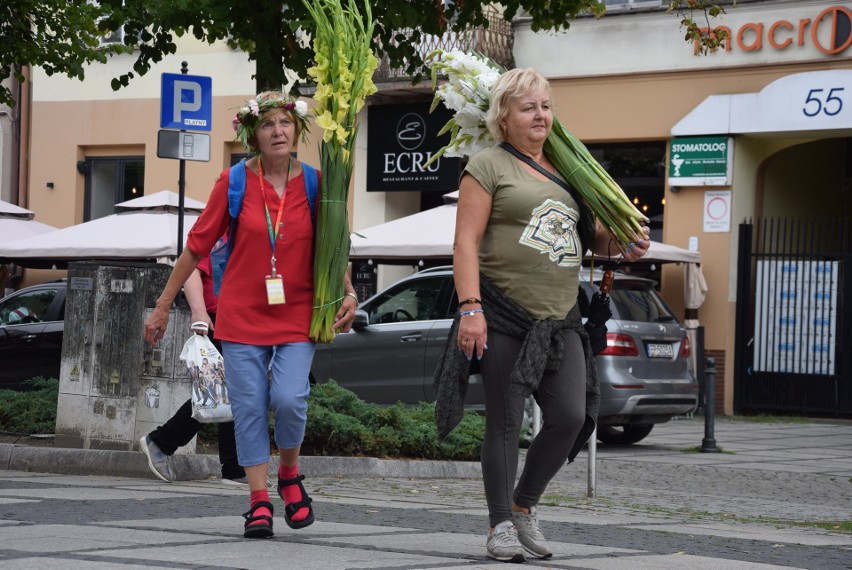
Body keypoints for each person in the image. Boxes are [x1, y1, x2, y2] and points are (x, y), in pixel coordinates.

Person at [434, 68, 650, 563]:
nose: (541, 115)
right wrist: (471, 309)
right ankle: (499, 526)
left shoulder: (568, 169)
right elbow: (464, 242)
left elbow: (592, 239)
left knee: (572, 417)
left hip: (561, 318)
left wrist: (624, 244)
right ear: (503, 117)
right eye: (528, 107)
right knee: (505, 422)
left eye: (546, 106)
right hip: (504, 313)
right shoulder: (486, 166)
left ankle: (523, 505)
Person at [143, 91, 358, 539]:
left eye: (285, 123)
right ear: (252, 134)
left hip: (299, 313)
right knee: (248, 409)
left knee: (288, 398)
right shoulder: (234, 181)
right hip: (241, 315)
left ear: (297, 129)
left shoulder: (318, 184)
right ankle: (259, 501)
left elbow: (337, 249)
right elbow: (197, 245)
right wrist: (163, 304)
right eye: (267, 125)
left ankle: (290, 474)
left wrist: (349, 293)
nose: (277, 131)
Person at [139, 258, 247, 486]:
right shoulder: (222, 232)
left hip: (239, 320)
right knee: (220, 392)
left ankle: (234, 467)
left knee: (230, 393)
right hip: (218, 320)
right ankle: (161, 442)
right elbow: (190, 269)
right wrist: (199, 313)